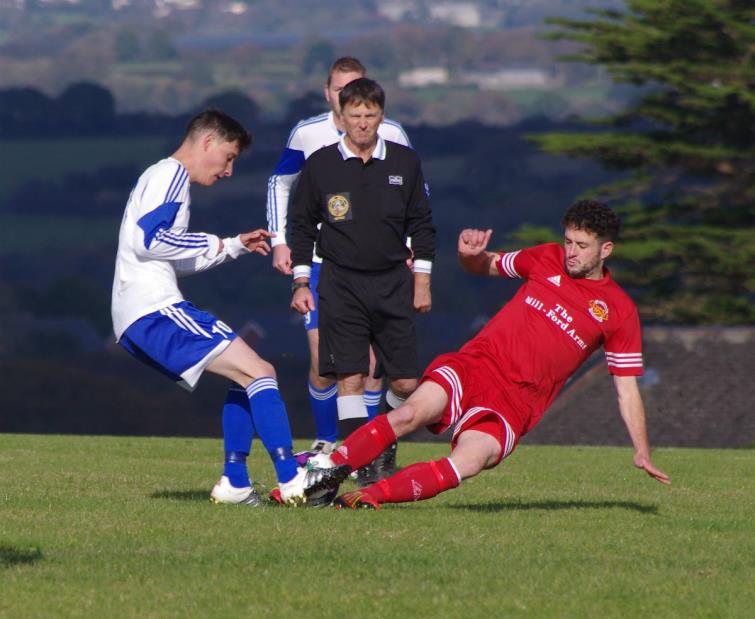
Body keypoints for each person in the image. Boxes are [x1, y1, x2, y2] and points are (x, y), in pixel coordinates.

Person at [305, 200, 671, 509]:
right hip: (477, 365)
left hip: (517, 403)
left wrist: (642, 450)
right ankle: (319, 477)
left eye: (581, 245)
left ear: (605, 250)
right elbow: (486, 265)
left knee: (469, 462)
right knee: (410, 413)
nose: (570, 252)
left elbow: (627, 390)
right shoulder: (546, 257)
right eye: (568, 241)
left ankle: (366, 499)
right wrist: (470, 255)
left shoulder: (619, 311)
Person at [111, 109, 320, 507]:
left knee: (247, 377)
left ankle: (235, 483)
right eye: (229, 157)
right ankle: (292, 479)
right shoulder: (169, 175)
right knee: (261, 371)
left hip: (141, 315)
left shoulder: (166, 179)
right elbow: (150, 241)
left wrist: (235, 245)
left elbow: (172, 256)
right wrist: (215, 242)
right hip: (152, 310)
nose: (228, 171)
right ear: (208, 142)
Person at [290, 77, 435, 485]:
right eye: (354, 116)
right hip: (340, 283)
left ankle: (382, 438)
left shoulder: (405, 162)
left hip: (393, 282)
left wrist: (421, 282)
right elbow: (301, 226)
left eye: (370, 115)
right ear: (341, 118)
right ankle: (362, 464)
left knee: (407, 383)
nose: (362, 123)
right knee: (350, 376)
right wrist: (302, 281)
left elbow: (422, 225)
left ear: (381, 116)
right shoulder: (320, 164)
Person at [266, 57, 412, 463]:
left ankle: (366, 446)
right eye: (338, 89)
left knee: (367, 365)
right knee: (324, 361)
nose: (346, 95)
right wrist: (280, 241)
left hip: (378, 266)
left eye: (356, 87)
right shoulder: (308, 133)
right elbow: (280, 182)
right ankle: (327, 439)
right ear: (327, 93)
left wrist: (410, 244)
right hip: (319, 262)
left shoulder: (393, 134)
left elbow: (417, 192)